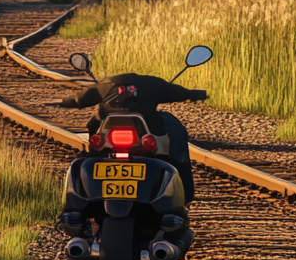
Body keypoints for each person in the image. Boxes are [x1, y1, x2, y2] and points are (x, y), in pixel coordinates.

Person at [59, 72, 205, 201]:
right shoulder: (152, 84)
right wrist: (193, 94)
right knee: (174, 156)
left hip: (109, 141)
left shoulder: (105, 85)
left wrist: (64, 102)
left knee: (88, 152)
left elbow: (79, 100)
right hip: (145, 140)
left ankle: (83, 194)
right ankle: (183, 194)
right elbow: (179, 93)